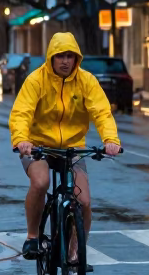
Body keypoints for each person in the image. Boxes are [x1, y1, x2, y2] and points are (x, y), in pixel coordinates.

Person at [9, 32, 120, 260]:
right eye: (60, 56)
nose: (65, 61)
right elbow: (22, 112)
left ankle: (75, 251)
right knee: (41, 183)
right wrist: (22, 139)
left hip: (73, 147)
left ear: (76, 58)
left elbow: (101, 112)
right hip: (38, 145)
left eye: (70, 56)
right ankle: (32, 237)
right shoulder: (36, 80)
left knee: (85, 201)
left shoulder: (86, 81)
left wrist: (110, 140)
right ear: (51, 58)